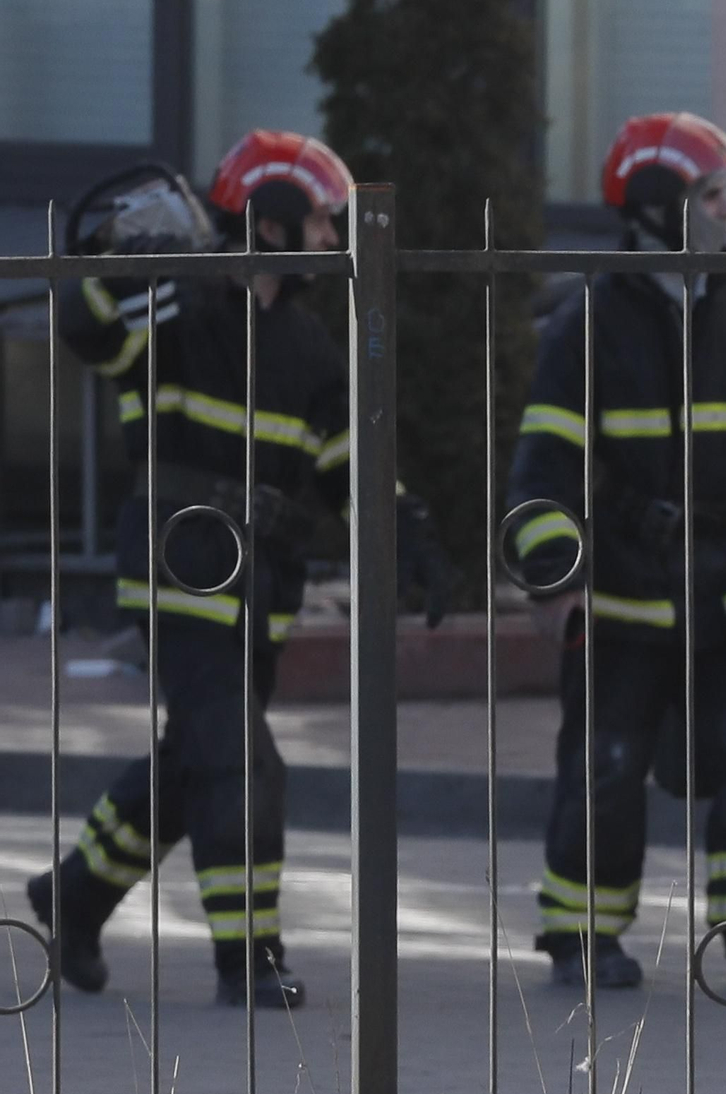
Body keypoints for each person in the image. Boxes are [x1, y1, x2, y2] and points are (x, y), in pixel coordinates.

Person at [28, 129, 455, 1010]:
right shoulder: (175, 302)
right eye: (323, 221)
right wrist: (119, 268)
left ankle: (74, 896)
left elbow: (352, 466)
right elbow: (84, 330)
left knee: (197, 756)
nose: (333, 238)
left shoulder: (311, 345)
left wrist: (408, 534)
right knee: (242, 762)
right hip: (177, 566)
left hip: (261, 585)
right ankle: (248, 957)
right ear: (271, 222)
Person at [506, 112, 726, 988]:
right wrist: (554, 579)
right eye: (712, 195)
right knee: (607, 767)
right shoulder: (588, 319)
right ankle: (582, 937)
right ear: (663, 208)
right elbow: (545, 465)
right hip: (623, 590)